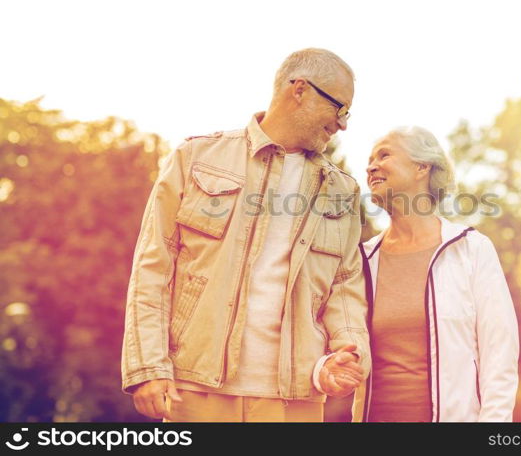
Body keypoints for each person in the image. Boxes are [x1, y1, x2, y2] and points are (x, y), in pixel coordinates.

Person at [121, 48, 370, 422]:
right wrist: (147, 366)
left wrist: (348, 352)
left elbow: (344, 287)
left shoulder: (342, 191)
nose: (343, 124)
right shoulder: (196, 158)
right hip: (196, 389)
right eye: (339, 109)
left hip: (296, 399)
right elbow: (154, 265)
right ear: (298, 89)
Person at [353, 126, 519, 422]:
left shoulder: (470, 250)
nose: (371, 166)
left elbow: (500, 355)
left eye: (384, 154)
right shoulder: (363, 259)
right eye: (369, 160)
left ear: (421, 167)